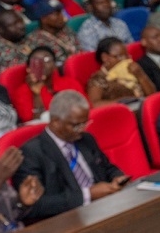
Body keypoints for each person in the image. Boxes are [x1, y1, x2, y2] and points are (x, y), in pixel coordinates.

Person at [13, 90, 128, 223]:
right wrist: (88, 195)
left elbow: (107, 167)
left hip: (105, 208)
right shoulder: (31, 153)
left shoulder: (86, 139)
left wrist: (117, 177)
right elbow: (36, 205)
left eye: (85, 123)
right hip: (68, 220)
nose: (82, 129)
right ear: (55, 121)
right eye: (76, 125)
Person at [10, 46, 85, 123]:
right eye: (36, 61)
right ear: (28, 68)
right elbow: (34, 123)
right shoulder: (21, 92)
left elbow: (85, 109)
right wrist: (36, 95)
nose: (42, 64)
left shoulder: (71, 83)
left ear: (54, 66)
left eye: (47, 60)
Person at [24, 0, 81, 66]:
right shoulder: (35, 41)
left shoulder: (65, 29)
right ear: (44, 19)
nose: (62, 17)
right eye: (56, 14)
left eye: (61, 13)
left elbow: (80, 49)